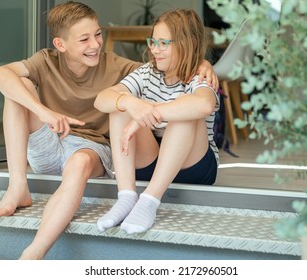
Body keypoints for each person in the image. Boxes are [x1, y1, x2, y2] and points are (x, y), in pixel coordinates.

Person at [0, 2, 217, 259]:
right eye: (84, 39)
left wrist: (201, 64)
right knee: (19, 88)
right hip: (64, 139)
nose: (96, 44)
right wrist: (44, 111)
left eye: (98, 35)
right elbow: (0, 74)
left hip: (112, 153)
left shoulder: (122, 66)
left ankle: (147, 201)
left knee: (181, 113)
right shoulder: (47, 60)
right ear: (60, 45)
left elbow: (195, 92)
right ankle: (20, 185)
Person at [94, 9, 220, 235]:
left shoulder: (200, 75)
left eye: (163, 43)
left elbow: (204, 105)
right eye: (153, 41)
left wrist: (151, 112)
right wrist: (131, 104)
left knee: (186, 111)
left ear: (186, 43)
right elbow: (101, 100)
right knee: (120, 106)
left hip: (193, 166)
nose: (154, 49)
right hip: (152, 162)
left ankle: (150, 200)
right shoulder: (147, 73)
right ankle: (126, 197)